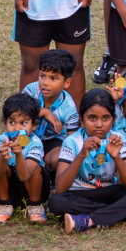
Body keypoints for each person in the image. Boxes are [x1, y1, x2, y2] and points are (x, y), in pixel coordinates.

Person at [51, 89, 126, 233]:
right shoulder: (72, 141)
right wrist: (82, 155)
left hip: (110, 191)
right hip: (81, 194)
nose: (99, 124)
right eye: (92, 118)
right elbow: (60, 188)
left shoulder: (117, 138)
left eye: (105, 118)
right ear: (81, 120)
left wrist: (116, 156)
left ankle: (87, 219)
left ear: (113, 119)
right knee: (56, 202)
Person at [0, 91, 47, 225]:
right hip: (9, 186)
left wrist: (18, 154)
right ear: (5, 122)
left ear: (34, 125)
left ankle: (35, 205)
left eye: (23, 123)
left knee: (36, 170)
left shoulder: (35, 143)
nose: (17, 128)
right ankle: (4, 203)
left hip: (32, 186)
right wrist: (3, 157)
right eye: (12, 122)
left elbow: (25, 176)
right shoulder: (0, 140)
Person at [20, 47, 80, 178]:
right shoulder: (30, 91)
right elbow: (18, 115)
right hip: (27, 136)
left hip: (53, 142)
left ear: (67, 82)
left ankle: (50, 173)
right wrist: (45, 112)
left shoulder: (69, 107)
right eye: (42, 76)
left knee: (60, 157)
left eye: (53, 78)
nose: (45, 83)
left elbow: (72, 139)